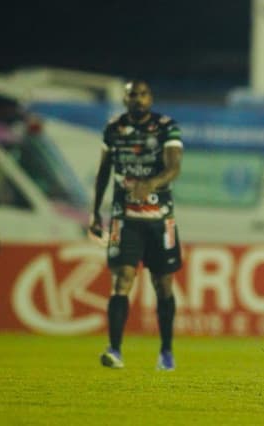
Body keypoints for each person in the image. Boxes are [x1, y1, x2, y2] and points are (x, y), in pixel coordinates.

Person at [90, 80, 182, 371]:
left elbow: (174, 167)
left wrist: (150, 184)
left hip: (160, 219)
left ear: (150, 98)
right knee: (121, 281)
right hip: (124, 218)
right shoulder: (113, 129)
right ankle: (114, 349)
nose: (138, 100)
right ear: (125, 99)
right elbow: (104, 171)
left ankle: (166, 352)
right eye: (132, 95)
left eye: (143, 94)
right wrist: (94, 212)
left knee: (163, 284)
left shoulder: (166, 127)